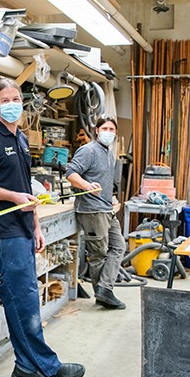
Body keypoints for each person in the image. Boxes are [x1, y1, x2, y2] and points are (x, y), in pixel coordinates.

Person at [0, 78, 85, 377]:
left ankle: (28, 366)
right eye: (5, 99)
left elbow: (25, 189)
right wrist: (13, 198)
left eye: (16, 98)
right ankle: (43, 365)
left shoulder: (19, 138)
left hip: (22, 230)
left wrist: (36, 226)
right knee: (24, 304)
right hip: (3, 234)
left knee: (26, 303)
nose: (11, 103)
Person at [66, 116, 127, 309]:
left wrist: (111, 197)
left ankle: (104, 289)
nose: (108, 132)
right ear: (97, 131)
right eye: (105, 128)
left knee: (118, 246)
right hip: (92, 209)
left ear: (115, 133)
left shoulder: (109, 152)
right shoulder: (88, 150)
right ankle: (103, 293)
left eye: (112, 129)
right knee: (98, 253)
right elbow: (71, 173)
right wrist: (86, 186)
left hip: (107, 208)